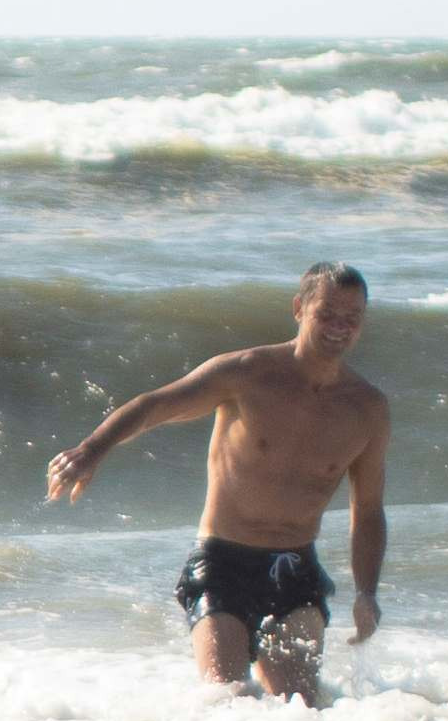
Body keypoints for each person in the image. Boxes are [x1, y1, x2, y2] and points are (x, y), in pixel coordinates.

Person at [43, 264, 389, 698]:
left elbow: (369, 507)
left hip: (295, 566)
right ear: (299, 309)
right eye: (328, 313)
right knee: (228, 699)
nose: (340, 326)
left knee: (300, 707)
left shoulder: (368, 408)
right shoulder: (247, 373)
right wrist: (91, 450)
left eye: (352, 317)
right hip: (223, 561)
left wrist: (367, 592)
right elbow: (155, 406)